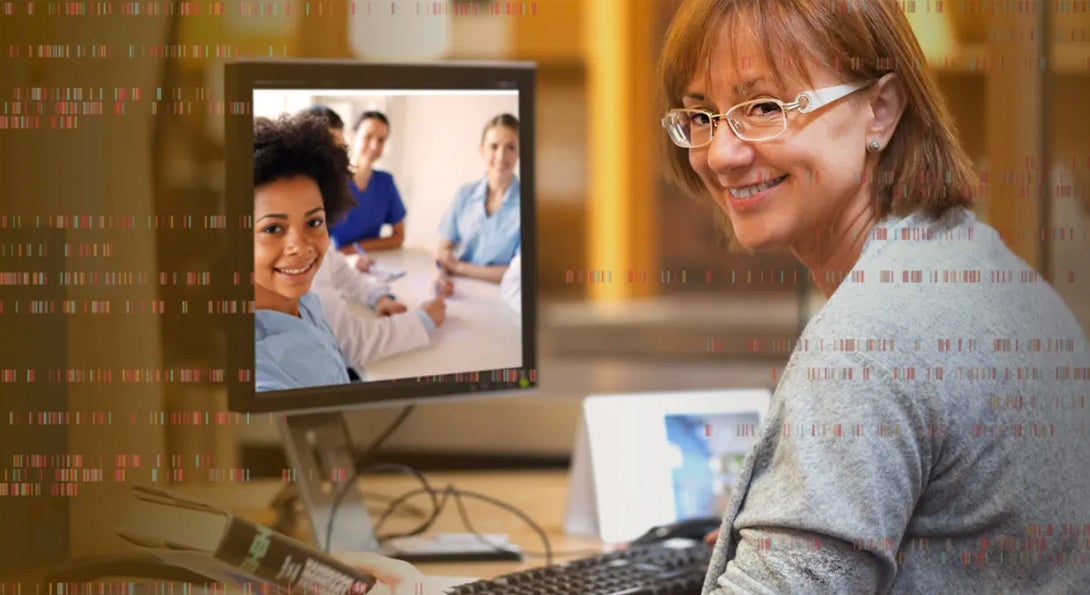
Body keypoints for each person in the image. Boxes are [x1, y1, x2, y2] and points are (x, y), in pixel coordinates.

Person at [657, 0, 1090, 592]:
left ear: (880, 111)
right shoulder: (972, 262)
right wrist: (792, 528)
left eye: (764, 107)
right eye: (703, 114)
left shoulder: (869, 341)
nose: (721, 153)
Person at [253, 115, 356, 392]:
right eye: (273, 228)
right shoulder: (258, 369)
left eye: (313, 222)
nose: (300, 246)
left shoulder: (307, 301)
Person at [311, 246, 447, 369]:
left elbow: (341, 272)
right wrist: (422, 321)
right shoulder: (299, 261)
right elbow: (348, 343)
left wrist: (378, 298)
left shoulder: (316, 244)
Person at [433, 113, 522, 297]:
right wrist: (440, 274)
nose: (500, 156)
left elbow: (519, 272)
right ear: (482, 150)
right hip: (459, 290)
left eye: (510, 147)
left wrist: (459, 267)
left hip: (502, 295)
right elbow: (444, 249)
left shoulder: (528, 205)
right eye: (494, 146)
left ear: (520, 153)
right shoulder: (464, 194)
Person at [328, 110, 408, 256]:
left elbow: (398, 237)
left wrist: (355, 248)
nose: (374, 146)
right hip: (336, 263)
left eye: (381, 140)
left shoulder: (385, 182)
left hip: (373, 260)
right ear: (352, 137)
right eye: (368, 137)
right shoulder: (332, 182)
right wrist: (345, 255)